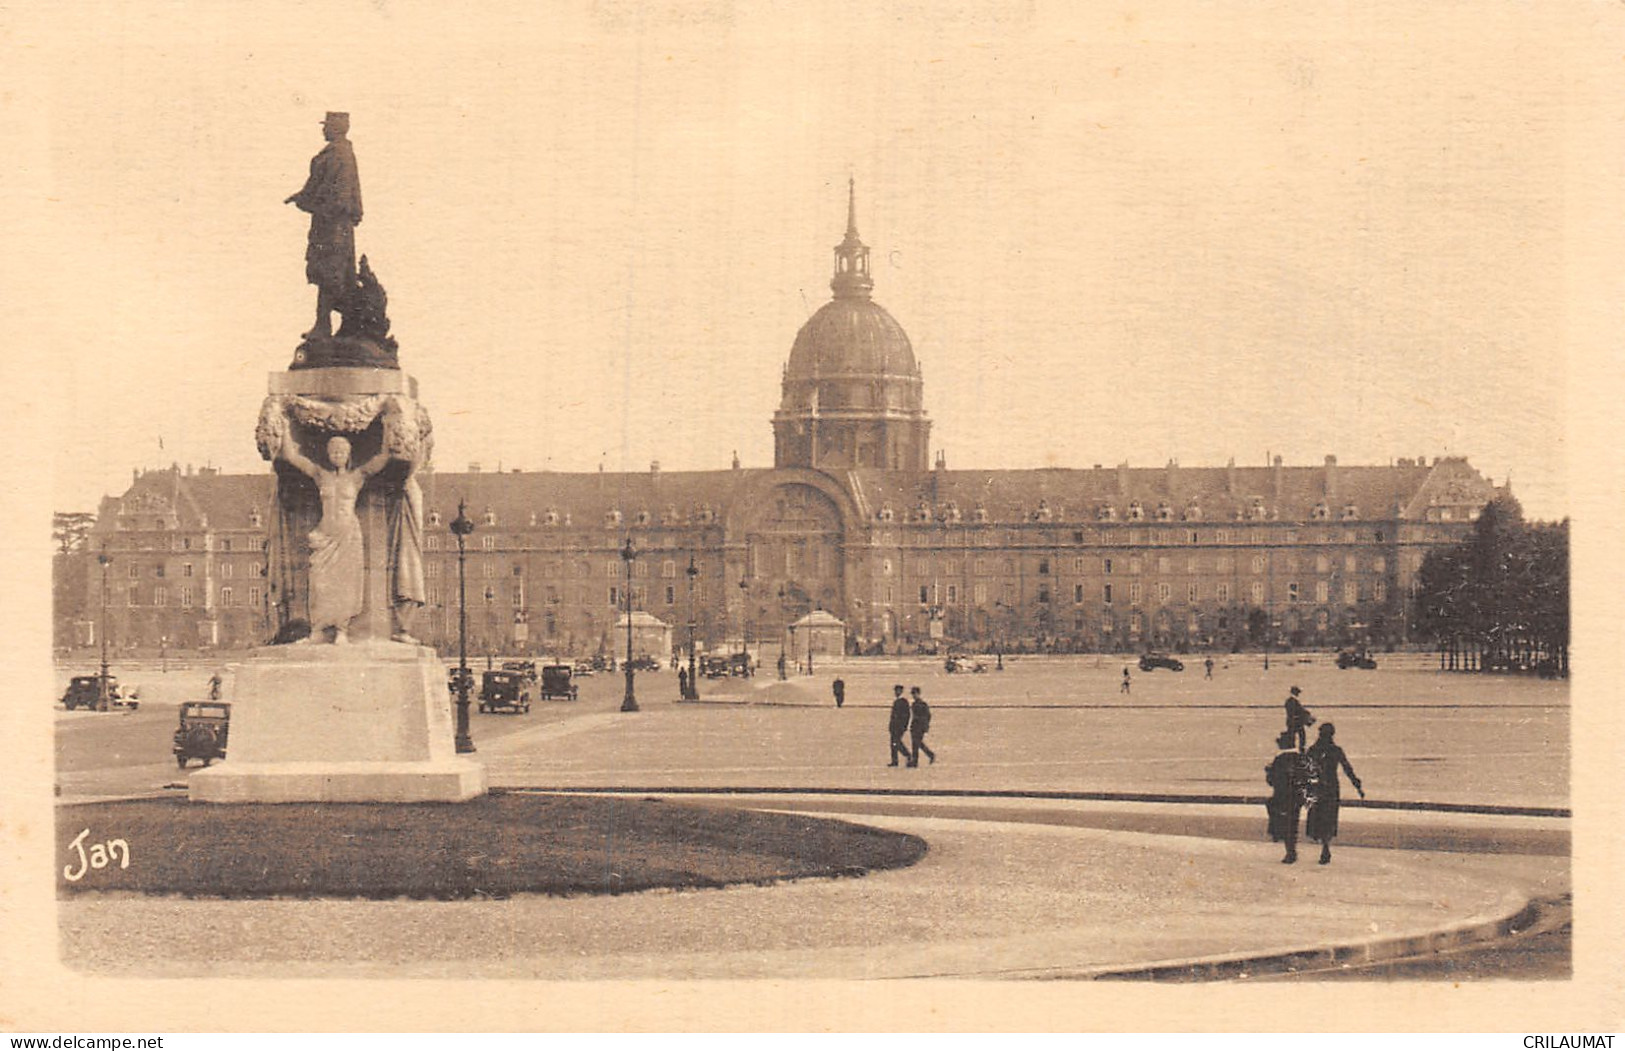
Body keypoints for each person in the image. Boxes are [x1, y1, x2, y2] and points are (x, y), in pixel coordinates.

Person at [277, 434, 389, 643]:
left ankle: (341, 630)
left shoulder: (357, 476)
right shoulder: (321, 475)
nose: (338, 455)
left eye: (342, 452)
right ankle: (317, 629)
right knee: (319, 583)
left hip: (348, 534)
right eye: (334, 451)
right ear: (329, 455)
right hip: (325, 534)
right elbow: (292, 457)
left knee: (345, 583)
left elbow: (382, 459)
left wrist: (390, 433)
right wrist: (283, 429)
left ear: (348, 455)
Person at [285, 112, 363, 341]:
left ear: (337, 128)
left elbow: (336, 194)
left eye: (326, 126)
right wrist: (301, 197)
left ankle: (326, 324)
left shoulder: (340, 154)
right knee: (329, 273)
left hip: (334, 224)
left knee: (333, 273)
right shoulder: (335, 153)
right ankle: (328, 323)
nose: (323, 130)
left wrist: (310, 202)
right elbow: (317, 187)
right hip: (328, 223)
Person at [1305, 723, 1365, 865]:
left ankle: (1324, 846)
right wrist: (1357, 785)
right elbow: (1347, 768)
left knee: (1318, 818)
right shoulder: (1335, 750)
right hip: (1332, 787)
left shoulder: (1313, 750)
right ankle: (1325, 846)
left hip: (1318, 787)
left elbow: (1305, 770)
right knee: (1329, 817)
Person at [1264, 731, 1310, 863]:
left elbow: (1272, 781)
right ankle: (1291, 850)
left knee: (1282, 819)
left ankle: (1289, 850)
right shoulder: (1300, 758)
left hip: (1281, 796)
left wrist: (1268, 772)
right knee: (1293, 822)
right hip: (1296, 796)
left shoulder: (1279, 760)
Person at [907, 686, 935, 766]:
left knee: (917, 743)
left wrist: (925, 726)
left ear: (919, 694)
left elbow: (928, 715)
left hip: (920, 726)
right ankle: (919, 759)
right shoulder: (914, 704)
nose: (914, 696)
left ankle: (928, 756)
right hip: (915, 726)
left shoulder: (922, 704)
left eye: (915, 694)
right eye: (913, 694)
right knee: (916, 744)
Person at [887, 685, 912, 767]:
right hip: (894, 726)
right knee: (893, 743)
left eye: (897, 691)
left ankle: (907, 755)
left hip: (899, 726)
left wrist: (904, 726)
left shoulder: (903, 701)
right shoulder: (897, 701)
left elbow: (906, 715)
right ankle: (895, 761)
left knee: (896, 742)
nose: (896, 693)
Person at [1284, 685, 1314, 751]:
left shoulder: (1289, 701)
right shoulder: (1294, 701)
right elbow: (1299, 710)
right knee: (1302, 736)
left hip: (1291, 721)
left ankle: (1292, 747)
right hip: (1296, 722)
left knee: (1292, 736)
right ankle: (1301, 749)